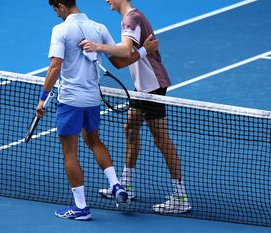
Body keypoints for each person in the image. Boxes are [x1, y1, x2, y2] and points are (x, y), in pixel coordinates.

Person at [79, 0, 191, 214]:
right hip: (143, 88)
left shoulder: (131, 19)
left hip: (152, 86)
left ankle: (181, 196)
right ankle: (127, 185)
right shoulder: (133, 17)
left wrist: (98, 46)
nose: (106, 0)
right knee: (130, 128)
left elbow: (124, 50)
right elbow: (125, 59)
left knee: (161, 139)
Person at [38, 0, 133, 220]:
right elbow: (120, 60)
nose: (55, 14)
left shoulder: (60, 30)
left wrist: (43, 99)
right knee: (94, 141)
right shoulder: (99, 28)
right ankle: (116, 185)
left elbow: (55, 66)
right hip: (92, 100)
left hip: (70, 101)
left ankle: (81, 207)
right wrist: (145, 52)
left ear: (61, 6)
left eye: (55, 9)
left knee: (70, 152)